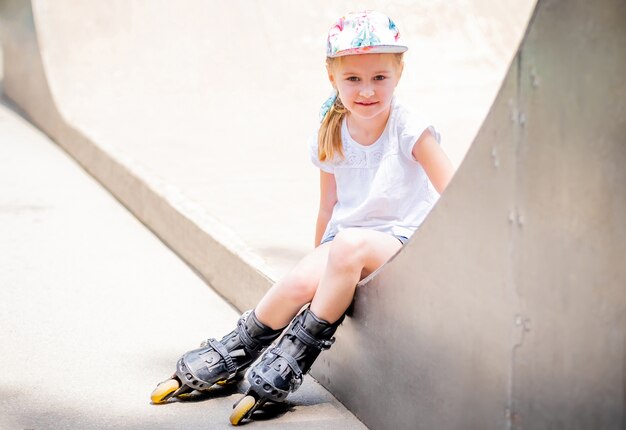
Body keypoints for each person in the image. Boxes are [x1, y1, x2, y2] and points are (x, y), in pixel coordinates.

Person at [151, 10, 454, 425]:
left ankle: (295, 353)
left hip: (399, 242)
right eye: (353, 79)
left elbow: (451, 194)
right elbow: (328, 208)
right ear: (333, 79)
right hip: (347, 242)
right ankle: (237, 348)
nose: (367, 90)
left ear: (398, 73)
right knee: (298, 279)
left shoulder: (409, 128)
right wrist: (319, 270)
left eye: (379, 78)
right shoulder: (331, 127)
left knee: (349, 245)